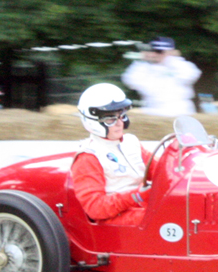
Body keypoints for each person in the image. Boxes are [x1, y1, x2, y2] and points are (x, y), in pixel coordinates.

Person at [71, 83, 153, 226]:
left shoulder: (131, 142)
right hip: (115, 219)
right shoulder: (88, 156)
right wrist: (136, 195)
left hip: (142, 207)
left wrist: (177, 157)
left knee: (181, 208)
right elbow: (95, 208)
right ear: (93, 120)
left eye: (122, 116)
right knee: (166, 218)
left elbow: (159, 171)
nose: (119, 123)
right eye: (111, 119)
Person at [122, 36, 201, 116]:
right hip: (152, 109)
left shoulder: (181, 65)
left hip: (180, 110)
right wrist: (142, 60)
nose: (155, 54)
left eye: (159, 51)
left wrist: (170, 59)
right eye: (153, 50)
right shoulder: (144, 67)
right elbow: (131, 81)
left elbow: (189, 76)